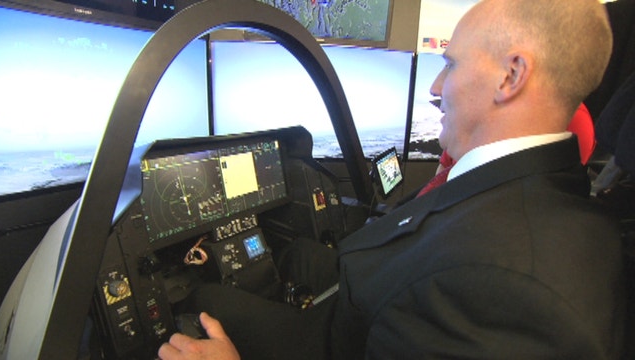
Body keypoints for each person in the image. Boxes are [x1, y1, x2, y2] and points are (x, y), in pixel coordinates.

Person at [159, 0, 625, 358]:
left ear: (512, 75)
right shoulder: (548, 188)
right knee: (298, 253)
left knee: (205, 297)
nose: (436, 88)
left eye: (451, 64)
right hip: (358, 306)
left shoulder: (507, 288)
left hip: (340, 339)